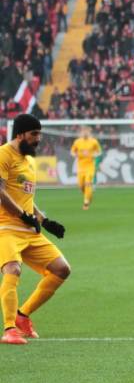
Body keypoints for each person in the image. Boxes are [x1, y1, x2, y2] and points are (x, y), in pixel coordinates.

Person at [0, 114, 71, 345]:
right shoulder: (3, 155)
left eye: (39, 134)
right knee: (13, 269)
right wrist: (22, 215)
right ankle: (9, 329)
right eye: (34, 134)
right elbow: (1, 193)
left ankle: (23, 316)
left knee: (62, 269)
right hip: (6, 228)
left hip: (28, 230)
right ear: (20, 134)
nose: (38, 139)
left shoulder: (29, 161)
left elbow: (26, 198)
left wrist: (45, 220)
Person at [70, 126, 102, 210]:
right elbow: (72, 151)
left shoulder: (94, 141)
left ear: (89, 132)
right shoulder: (77, 142)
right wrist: (74, 154)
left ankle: (86, 202)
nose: (85, 133)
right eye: (83, 131)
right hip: (80, 167)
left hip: (90, 166)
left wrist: (96, 155)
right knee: (81, 185)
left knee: (88, 182)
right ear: (81, 133)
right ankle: (89, 195)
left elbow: (99, 152)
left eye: (86, 131)